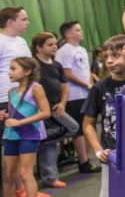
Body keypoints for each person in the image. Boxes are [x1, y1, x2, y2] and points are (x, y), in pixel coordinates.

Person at [82, 35, 125, 197]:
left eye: (115, 56)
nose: (109, 61)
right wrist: (98, 151)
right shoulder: (99, 88)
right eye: (106, 57)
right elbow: (88, 124)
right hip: (112, 155)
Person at [32, 32, 79, 189]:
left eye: (55, 44)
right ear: (39, 47)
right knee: (53, 143)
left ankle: (41, 140)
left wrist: (62, 104)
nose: (55, 47)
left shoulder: (56, 65)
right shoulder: (34, 65)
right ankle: (50, 178)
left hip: (55, 108)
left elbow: (64, 86)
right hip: (40, 111)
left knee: (72, 128)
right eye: (50, 45)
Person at [1, 57, 50, 197]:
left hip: (29, 134)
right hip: (11, 134)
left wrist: (20, 123)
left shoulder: (36, 88)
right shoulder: (11, 92)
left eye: (13, 68)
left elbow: (46, 113)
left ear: (27, 71)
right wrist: (5, 116)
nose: (9, 72)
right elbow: (12, 115)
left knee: (25, 174)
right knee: (8, 175)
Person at [55, 21, 99, 174]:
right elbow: (67, 73)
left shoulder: (81, 49)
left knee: (88, 126)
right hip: (74, 96)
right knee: (79, 129)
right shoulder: (64, 51)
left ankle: (86, 159)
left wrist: (91, 86)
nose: (81, 32)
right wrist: (85, 85)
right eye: (77, 30)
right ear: (68, 34)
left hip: (86, 93)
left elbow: (86, 72)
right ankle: (83, 162)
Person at [0, 7, 32, 190]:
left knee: (23, 146)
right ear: (10, 22)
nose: (27, 22)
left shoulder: (21, 41)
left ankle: (22, 190)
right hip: (5, 101)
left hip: (25, 100)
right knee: (10, 150)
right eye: (23, 19)